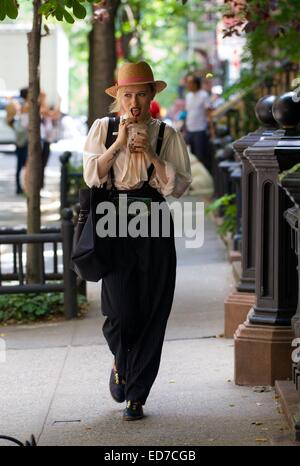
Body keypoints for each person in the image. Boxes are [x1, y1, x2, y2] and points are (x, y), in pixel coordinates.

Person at [83, 61, 192, 421]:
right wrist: (117, 146)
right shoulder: (103, 128)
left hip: (154, 221)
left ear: (151, 96)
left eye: (141, 94)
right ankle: (121, 360)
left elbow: (177, 187)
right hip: (112, 220)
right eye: (128, 94)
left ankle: (137, 395)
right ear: (119, 98)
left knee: (153, 309)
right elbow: (91, 175)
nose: (135, 101)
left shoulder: (166, 134)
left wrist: (151, 155)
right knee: (119, 311)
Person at [184, 73, 213, 173]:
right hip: (190, 130)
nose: (188, 85)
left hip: (200, 130)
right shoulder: (188, 96)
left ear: (196, 84)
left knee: (201, 156)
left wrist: (211, 129)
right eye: (187, 82)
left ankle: (206, 178)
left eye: (190, 82)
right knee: (190, 156)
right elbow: (188, 112)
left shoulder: (203, 95)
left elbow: (209, 113)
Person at [6, 88, 29, 195]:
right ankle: (20, 188)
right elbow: (22, 128)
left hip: (21, 142)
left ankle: (21, 187)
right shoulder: (22, 109)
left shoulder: (17, 116)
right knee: (22, 165)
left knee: (21, 165)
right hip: (22, 142)